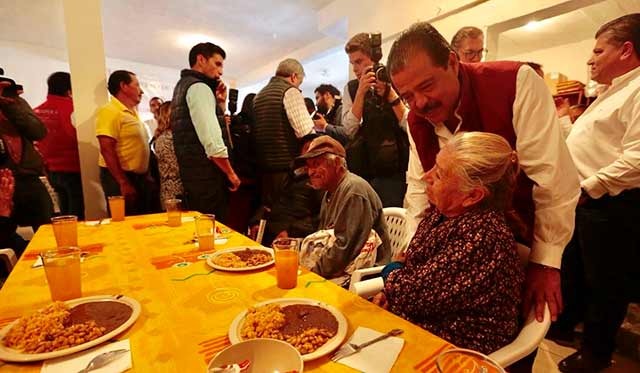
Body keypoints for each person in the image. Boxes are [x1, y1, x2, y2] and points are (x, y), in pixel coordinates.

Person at [386, 22, 580, 328]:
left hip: (516, 244)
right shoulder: (416, 120)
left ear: (453, 62)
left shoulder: (515, 83)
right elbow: (417, 190)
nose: (419, 103)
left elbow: (553, 179)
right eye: (408, 96)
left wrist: (546, 261)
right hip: (452, 260)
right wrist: (414, 254)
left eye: (427, 86)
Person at [374, 132, 524, 354]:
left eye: (440, 174)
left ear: (473, 196)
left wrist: (392, 271)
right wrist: (392, 290)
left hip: (456, 351)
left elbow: (409, 292)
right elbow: (413, 277)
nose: (426, 176)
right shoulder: (445, 213)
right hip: (417, 322)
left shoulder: (482, 238)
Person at [555, 14, 640, 373]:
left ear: (626, 50)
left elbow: (637, 156)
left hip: (610, 203)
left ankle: (597, 352)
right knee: (575, 268)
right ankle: (566, 326)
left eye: (598, 50)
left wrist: (590, 187)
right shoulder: (614, 91)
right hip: (587, 199)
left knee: (606, 280)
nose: (590, 59)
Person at [296, 135, 391, 282]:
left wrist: (311, 274)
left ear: (338, 163)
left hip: (363, 274)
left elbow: (345, 249)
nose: (310, 172)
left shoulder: (353, 191)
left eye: (316, 164)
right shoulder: (330, 191)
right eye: (308, 166)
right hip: (341, 267)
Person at [170, 42, 240, 221]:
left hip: (193, 177)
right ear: (200, 59)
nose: (221, 71)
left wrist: (220, 104)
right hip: (209, 180)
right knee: (214, 234)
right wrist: (230, 173)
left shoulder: (181, 87)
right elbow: (212, 141)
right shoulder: (199, 88)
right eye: (217, 64)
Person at [341, 33, 409, 207]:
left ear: (373, 58)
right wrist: (361, 94)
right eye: (352, 63)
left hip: (395, 169)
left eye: (360, 61)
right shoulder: (351, 88)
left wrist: (390, 94)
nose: (355, 68)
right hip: (364, 169)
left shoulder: (395, 78)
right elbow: (349, 130)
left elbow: (410, 126)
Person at [253, 58, 315, 208]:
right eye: (299, 83)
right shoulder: (290, 91)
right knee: (286, 219)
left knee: (268, 219)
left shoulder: (258, 96)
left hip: (263, 172)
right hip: (286, 172)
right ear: (294, 76)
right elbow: (306, 133)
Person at [96, 70, 155, 216]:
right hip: (121, 177)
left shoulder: (132, 112)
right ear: (123, 86)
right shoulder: (110, 111)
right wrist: (122, 182)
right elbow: (106, 148)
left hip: (138, 178)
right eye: (137, 85)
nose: (141, 91)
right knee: (125, 221)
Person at [249, 133, 324, 245]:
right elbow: (267, 203)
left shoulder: (322, 180)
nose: (310, 153)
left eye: (315, 149)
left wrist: (290, 232)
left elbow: (321, 217)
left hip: (294, 236)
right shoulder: (289, 174)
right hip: (270, 230)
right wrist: (256, 221)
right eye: (307, 148)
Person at [0, 77, 53, 231]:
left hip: (27, 176)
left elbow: (38, 132)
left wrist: (11, 108)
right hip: (3, 179)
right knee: (7, 238)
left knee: (47, 228)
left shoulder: (15, 103)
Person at [34, 71, 85, 219]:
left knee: (64, 213)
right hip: (73, 168)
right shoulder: (73, 109)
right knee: (77, 214)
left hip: (50, 170)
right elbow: (78, 136)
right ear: (69, 90)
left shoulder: (36, 111)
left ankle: (65, 239)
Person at [153, 101, 183, 209]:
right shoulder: (170, 139)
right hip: (176, 194)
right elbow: (176, 168)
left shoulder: (160, 137)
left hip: (166, 192)